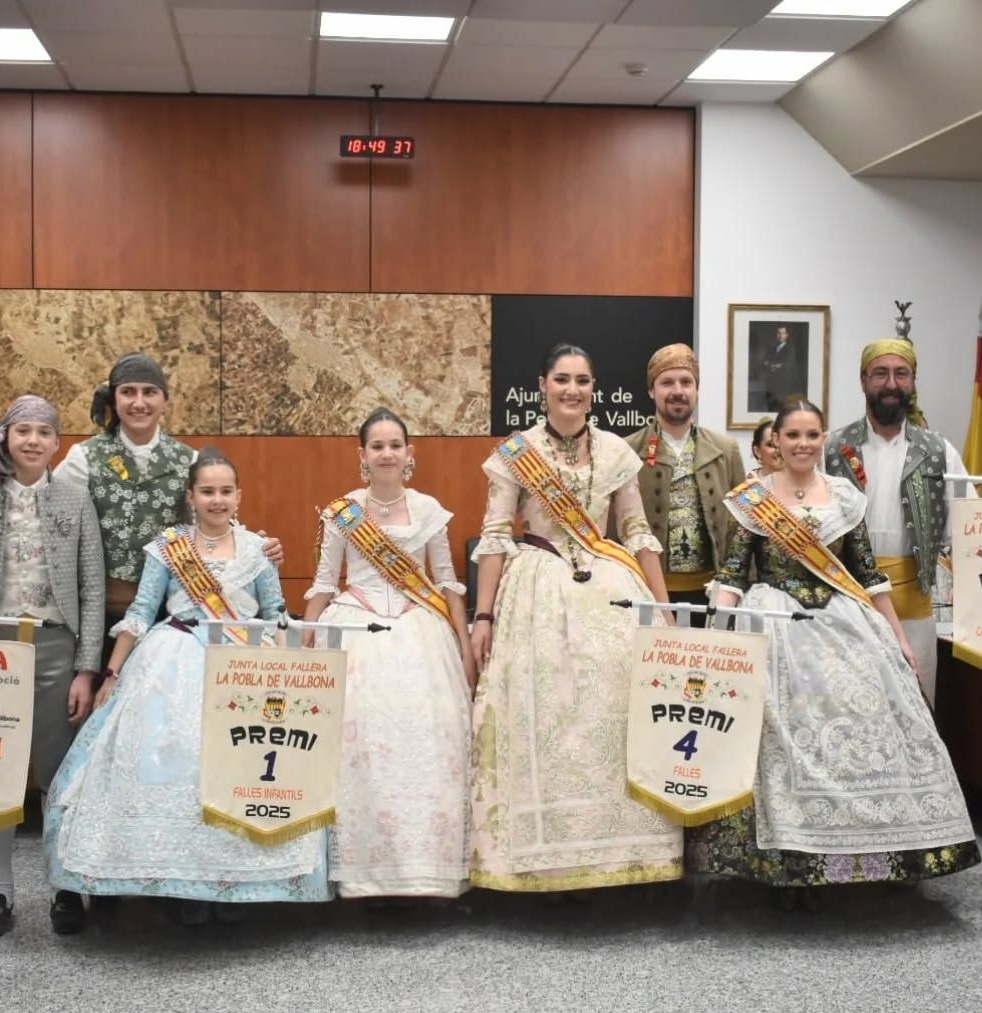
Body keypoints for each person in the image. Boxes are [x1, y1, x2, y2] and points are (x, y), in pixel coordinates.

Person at [689, 401, 979, 896]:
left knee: (870, 718)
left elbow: (867, 575)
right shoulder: (753, 498)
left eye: (813, 434)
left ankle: (878, 853)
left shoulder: (845, 497)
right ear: (775, 441)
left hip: (844, 620)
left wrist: (898, 638)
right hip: (775, 621)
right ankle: (784, 864)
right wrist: (718, 626)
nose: (803, 444)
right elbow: (735, 573)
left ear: (823, 439)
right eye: (793, 435)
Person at [46, 449, 330, 923]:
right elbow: (139, 612)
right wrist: (112, 674)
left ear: (238, 496)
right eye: (207, 492)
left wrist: (293, 671)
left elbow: (275, 614)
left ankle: (238, 883)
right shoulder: (168, 546)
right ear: (191, 497)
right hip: (171, 662)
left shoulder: (259, 549)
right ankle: (181, 889)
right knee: (171, 765)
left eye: (225, 491)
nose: (217, 500)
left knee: (241, 769)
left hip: (243, 667)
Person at [469, 343, 682, 893]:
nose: (572, 389)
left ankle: (621, 855)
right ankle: (545, 860)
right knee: (545, 715)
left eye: (582, 380)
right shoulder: (517, 453)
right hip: (537, 583)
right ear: (541, 385)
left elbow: (636, 532)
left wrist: (662, 612)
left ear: (594, 388)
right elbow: (495, 535)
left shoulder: (614, 451)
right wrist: (483, 615)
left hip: (609, 583)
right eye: (561, 379)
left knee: (614, 713)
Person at [0, 352, 283, 662]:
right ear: (114, 400)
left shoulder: (188, 460)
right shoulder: (84, 457)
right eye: (128, 392)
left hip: (164, 616)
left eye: (150, 392)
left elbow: (215, 525)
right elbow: (42, 517)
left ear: (166, 401)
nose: (139, 402)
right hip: (93, 613)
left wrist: (258, 548)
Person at [0, 394, 105, 940]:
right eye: (22, 431)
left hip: (56, 645)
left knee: (55, 768)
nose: (32, 440)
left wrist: (87, 668)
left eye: (43, 432)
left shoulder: (76, 497)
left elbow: (92, 587)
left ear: (58, 443)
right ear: (5, 438)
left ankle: (63, 885)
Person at [300, 409, 473, 899]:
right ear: (362, 456)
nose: (387, 453)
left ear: (409, 453)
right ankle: (361, 873)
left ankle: (424, 870)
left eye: (395, 444)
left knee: (430, 734)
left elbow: (446, 583)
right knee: (359, 739)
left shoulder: (429, 510)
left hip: (421, 630)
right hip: (356, 624)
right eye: (377, 446)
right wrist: (303, 642)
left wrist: (464, 649)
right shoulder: (342, 513)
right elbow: (322, 582)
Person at [822, 336, 964, 704]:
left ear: (913, 381)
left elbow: (966, 530)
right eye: (880, 374)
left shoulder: (938, 452)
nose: (890, 384)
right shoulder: (832, 449)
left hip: (914, 608)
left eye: (901, 374)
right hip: (846, 604)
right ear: (863, 380)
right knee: (850, 704)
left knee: (915, 705)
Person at [621, 343, 744, 626]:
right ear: (652, 390)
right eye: (667, 382)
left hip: (713, 593)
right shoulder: (626, 450)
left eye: (686, 382)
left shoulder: (726, 450)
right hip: (646, 591)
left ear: (697, 390)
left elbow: (742, 527)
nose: (678, 390)